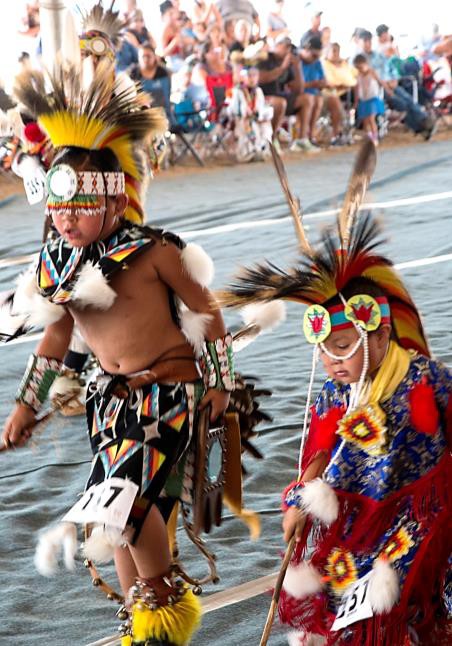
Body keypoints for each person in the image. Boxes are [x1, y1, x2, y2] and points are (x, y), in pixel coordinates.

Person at [3, 60, 234, 646]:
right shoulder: (54, 268)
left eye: (80, 205)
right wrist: (26, 405)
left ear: (112, 200)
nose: (66, 218)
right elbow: (56, 338)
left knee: (126, 507)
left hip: (170, 393)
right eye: (58, 208)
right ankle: (142, 619)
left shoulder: (156, 252)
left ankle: (163, 607)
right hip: (112, 405)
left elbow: (208, 316)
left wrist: (221, 383)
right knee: (115, 517)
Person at [222, 141, 452, 646]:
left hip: (420, 520)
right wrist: (298, 501)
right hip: (356, 523)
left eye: (343, 347)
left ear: (380, 334)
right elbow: (319, 452)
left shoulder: (425, 381)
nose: (332, 362)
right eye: (324, 351)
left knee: (413, 620)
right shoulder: (332, 394)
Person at [358, 30, 436, 139]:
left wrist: (393, 79)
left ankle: (423, 122)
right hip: (375, 89)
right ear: (359, 42)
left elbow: (389, 68)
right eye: (365, 41)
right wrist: (385, 84)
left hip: (390, 84)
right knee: (401, 103)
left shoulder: (377, 55)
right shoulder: (358, 59)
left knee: (407, 98)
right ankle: (422, 125)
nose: (368, 44)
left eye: (369, 41)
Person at [257, 36, 305, 148]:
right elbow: (262, 78)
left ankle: (303, 140)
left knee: (307, 99)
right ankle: (271, 140)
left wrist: (298, 68)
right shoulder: (266, 58)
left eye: (289, 48)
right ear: (276, 45)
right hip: (262, 97)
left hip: (280, 96)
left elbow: (298, 89)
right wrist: (282, 68)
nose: (288, 51)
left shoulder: (287, 62)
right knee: (280, 103)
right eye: (285, 47)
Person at [227, 66, 273, 161]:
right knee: (251, 128)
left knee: (266, 128)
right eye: (249, 76)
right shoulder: (237, 91)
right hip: (242, 121)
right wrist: (242, 112)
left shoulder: (258, 91)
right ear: (243, 78)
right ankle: (247, 153)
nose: (252, 79)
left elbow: (263, 106)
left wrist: (261, 113)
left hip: (257, 119)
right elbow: (231, 109)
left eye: (254, 76)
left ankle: (262, 151)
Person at [291, 36, 325, 152]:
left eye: (318, 56)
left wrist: (316, 84)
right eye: (314, 55)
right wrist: (313, 84)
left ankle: (310, 135)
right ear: (305, 49)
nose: (315, 59)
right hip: (296, 95)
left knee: (318, 99)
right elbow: (294, 86)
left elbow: (324, 81)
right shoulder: (295, 60)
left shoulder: (317, 62)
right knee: (310, 99)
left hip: (312, 94)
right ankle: (303, 137)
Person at [322, 42, 357, 145]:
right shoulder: (324, 64)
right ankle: (336, 134)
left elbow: (355, 76)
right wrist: (342, 86)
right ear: (327, 52)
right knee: (334, 100)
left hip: (348, 92)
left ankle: (346, 131)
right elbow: (329, 83)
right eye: (334, 51)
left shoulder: (344, 64)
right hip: (331, 93)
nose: (337, 54)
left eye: (338, 51)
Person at [353, 53, 385, 145]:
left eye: (361, 67)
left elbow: (380, 82)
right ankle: (369, 136)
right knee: (365, 121)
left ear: (366, 64)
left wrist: (388, 90)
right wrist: (356, 102)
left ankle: (375, 137)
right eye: (357, 68)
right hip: (363, 100)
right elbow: (356, 89)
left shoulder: (372, 72)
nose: (360, 70)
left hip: (373, 99)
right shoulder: (358, 75)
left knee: (371, 119)